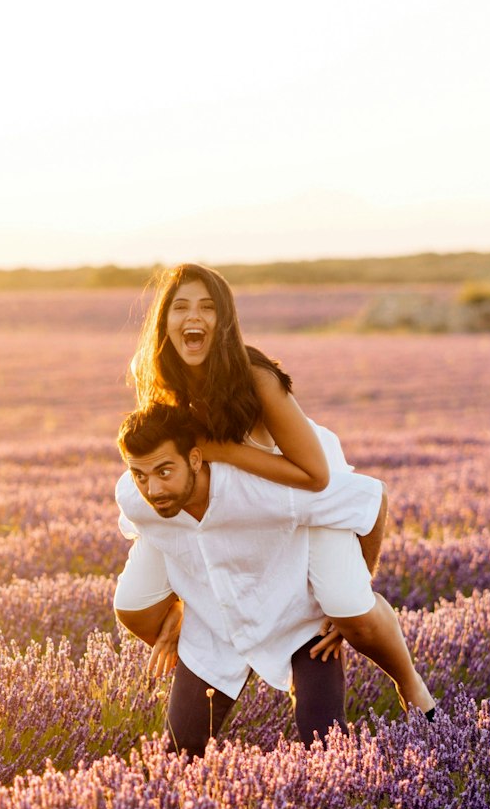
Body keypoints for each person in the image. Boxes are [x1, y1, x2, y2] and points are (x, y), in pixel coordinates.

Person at [129, 262, 436, 716]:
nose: (194, 317)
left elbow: (314, 475)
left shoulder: (256, 377)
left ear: (225, 321)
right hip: (239, 501)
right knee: (134, 602)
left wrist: (223, 451)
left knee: (348, 606)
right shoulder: (159, 383)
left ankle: (410, 685)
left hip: (302, 486)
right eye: (181, 307)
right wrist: (179, 598)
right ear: (165, 321)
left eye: (207, 307)